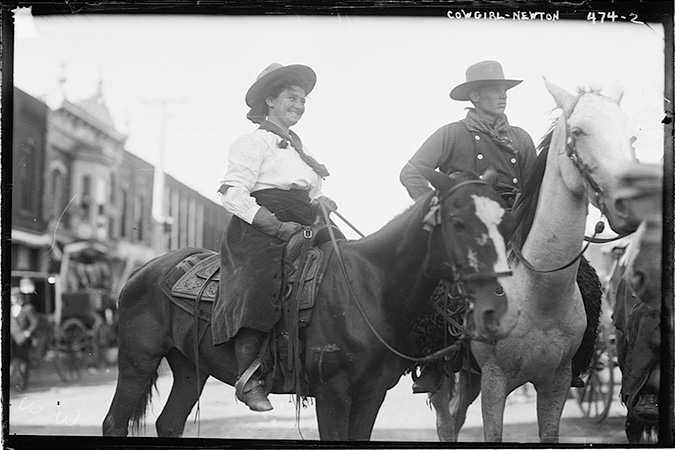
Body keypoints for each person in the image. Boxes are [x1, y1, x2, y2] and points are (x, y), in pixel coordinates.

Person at [400, 60, 595, 394]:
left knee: (585, 278)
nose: (502, 96)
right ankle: (433, 364)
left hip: (517, 221)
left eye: (504, 90)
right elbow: (411, 172)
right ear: (474, 96)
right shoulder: (451, 133)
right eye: (493, 90)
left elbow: (537, 186)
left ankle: (573, 360)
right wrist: (444, 209)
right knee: (438, 280)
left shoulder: (519, 136)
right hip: (471, 224)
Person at [212, 63, 337, 412]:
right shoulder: (252, 143)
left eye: (303, 100)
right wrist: (277, 228)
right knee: (259, 282)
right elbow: (233, 194)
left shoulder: (300, 150)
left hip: (306, 221)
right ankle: (250, 375)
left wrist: (318, 203)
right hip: (260, 226)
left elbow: (305, 193)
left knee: (345, 260)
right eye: (291, 97)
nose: (299, 104)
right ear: (270, 100)